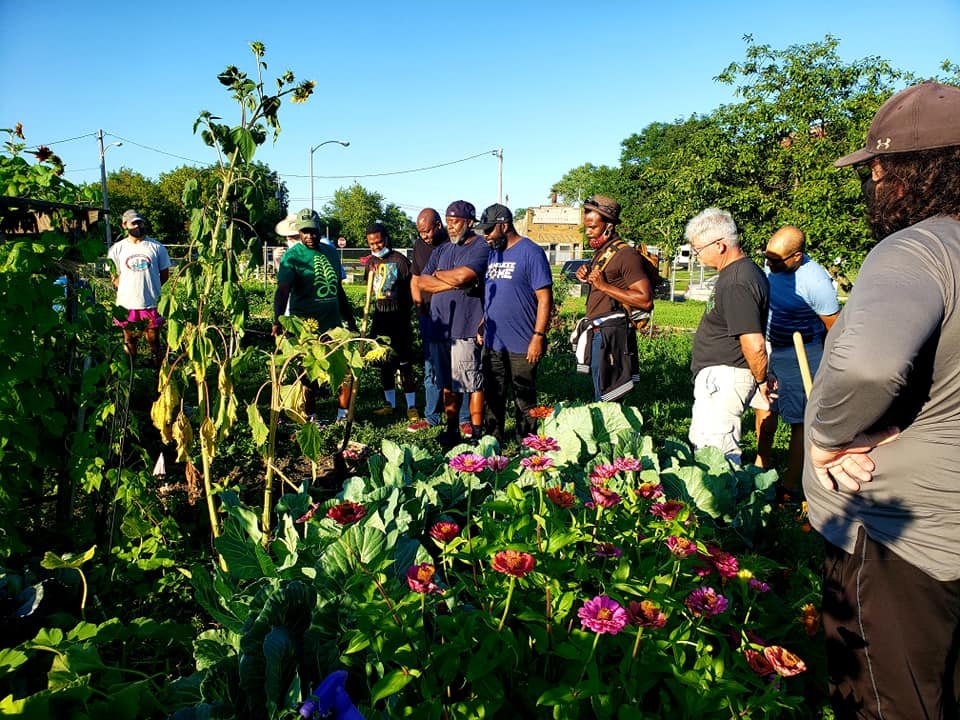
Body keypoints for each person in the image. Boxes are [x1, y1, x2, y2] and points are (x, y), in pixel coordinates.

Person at [803, 80, 960, 720]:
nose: (872, 185)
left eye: (876, 171)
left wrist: (826, 436)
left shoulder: (919, 247)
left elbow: (869, 366)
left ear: (907, 172)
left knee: (890, 704)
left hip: (904, 538)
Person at [752, 225, 839, 492]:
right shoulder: (773, 265)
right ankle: (759, 465)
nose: (768, 263)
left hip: (801, 352)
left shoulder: (815, 281)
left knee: (799, 418)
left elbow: (834, 327)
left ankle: (793, 482)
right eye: (767, 256)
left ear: (797, 256)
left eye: (775, 260)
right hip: (768, 346)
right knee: (764, 407)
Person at [686, 208, 770, 465]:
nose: (697, 256)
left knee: (718, 453)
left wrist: (763, 381)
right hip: (721, 376)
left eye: (698, 249)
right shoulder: (739, 273)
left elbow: (754, 343)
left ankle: (726, 502)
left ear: (720, 245)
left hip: (725, 377)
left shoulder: (736, 282)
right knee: (705, 444)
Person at [412, 200, 488, 448]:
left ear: (469, 222)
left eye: (455, 222)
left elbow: (467, 275)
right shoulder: (442, 251)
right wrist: (453, 281)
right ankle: (451, 429)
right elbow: (422, 282)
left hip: (465, 327)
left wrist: (444, 278)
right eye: (449, 221)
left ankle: (476, 433)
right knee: (446, 382)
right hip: (440, 327)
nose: (451, 227)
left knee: (470, 381)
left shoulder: (480, 246)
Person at [475, 204, 553, 442]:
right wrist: (483, 321)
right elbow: (491, 293)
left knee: (524, 398)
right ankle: (492, 443)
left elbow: (544, 298)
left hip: (522, 342)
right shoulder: (493, 253)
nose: (486, 236)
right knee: (493, 395)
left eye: (489, 230)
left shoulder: (531, 252)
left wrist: (538, 336)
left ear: (504, 225)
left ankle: (527, 446)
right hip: (493, 341)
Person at [272, 208, 356, 423]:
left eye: (313, 231)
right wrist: (278, 319)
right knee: (308, 372)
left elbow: (338, 289)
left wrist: (350, 318)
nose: (309, 236)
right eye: (305, 231)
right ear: (299, 232)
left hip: (332, 324)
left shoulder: (330, 253)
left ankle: (342, 415)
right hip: (305, 326)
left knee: (343, 369)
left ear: (319, 230)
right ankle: (311, 416)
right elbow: (283, 291)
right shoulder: (293, 257)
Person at [573, 195, 653, 401]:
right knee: (603, 396)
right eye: (587, 227)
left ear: (608, 226)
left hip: (613, 336)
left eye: (593, 227)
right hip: (600, 332)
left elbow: (645, 300)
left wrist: (603, 286)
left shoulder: (626, 255)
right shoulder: (604, 252)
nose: (588, 232)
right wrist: (587, 275)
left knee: (609, 399)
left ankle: (616, 433)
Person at [363, 222, 421, 423]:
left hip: (399, 319)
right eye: (372, 243)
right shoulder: (370, 262)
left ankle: (411, 406)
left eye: (379, 242)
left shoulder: (400, 261)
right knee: (384, 362)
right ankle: (390, 404)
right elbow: (370, 290)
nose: (376, 246)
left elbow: (412, 288)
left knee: (404, 364)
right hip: (380, 319)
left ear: (386, 239)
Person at [108, 209, 171, 368]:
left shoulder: (156, 247)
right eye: (134, 223)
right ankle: (131, 373)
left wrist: (153, 288)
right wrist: (125, 287)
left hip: (151, 302)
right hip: (127, 304)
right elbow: (113, 275)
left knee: (154, 340)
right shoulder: (117, 249)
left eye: (140, 222)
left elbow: (164, 274)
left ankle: (159, 373)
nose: (138, 226)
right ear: (124, 225)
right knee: (130, 340)